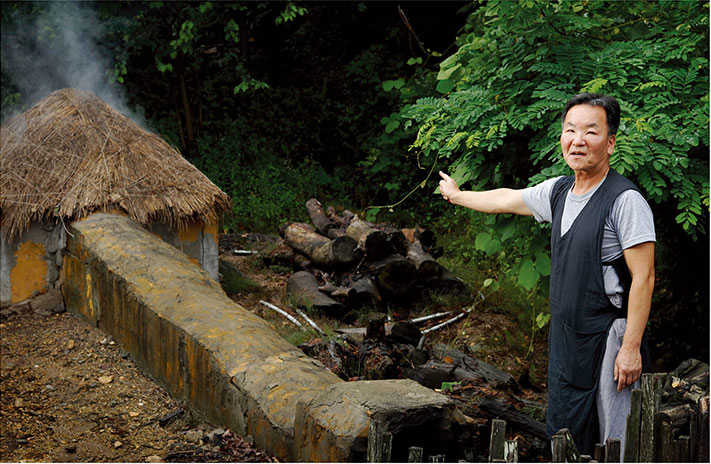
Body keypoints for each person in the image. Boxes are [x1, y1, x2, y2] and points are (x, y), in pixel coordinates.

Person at [438, 93, 655, 458]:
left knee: (611, 439)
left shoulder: (625, 200)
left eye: (591, 131)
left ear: (611, 142)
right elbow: (506, 199)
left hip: (608, 340)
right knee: (567, 429)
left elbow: (645, 277)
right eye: (570, 130)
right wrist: (458, 196)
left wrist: (631, 348)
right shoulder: (558, 191)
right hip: (567, 339)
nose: (578, 140)